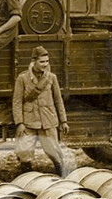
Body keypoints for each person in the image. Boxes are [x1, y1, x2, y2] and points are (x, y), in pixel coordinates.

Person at [12, 46, 69, 176]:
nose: (45, 64)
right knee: (24, 153)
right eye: (42, 61)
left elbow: (58, 100)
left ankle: (62, 176)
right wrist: (19, 123)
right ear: (34, 61)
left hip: (48, 120)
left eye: (47, 61)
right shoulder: (23, 78)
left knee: (54, 152)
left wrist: (63, 120)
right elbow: (16, 102)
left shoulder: (51, 78)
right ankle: (26, 177)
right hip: (29, 121)